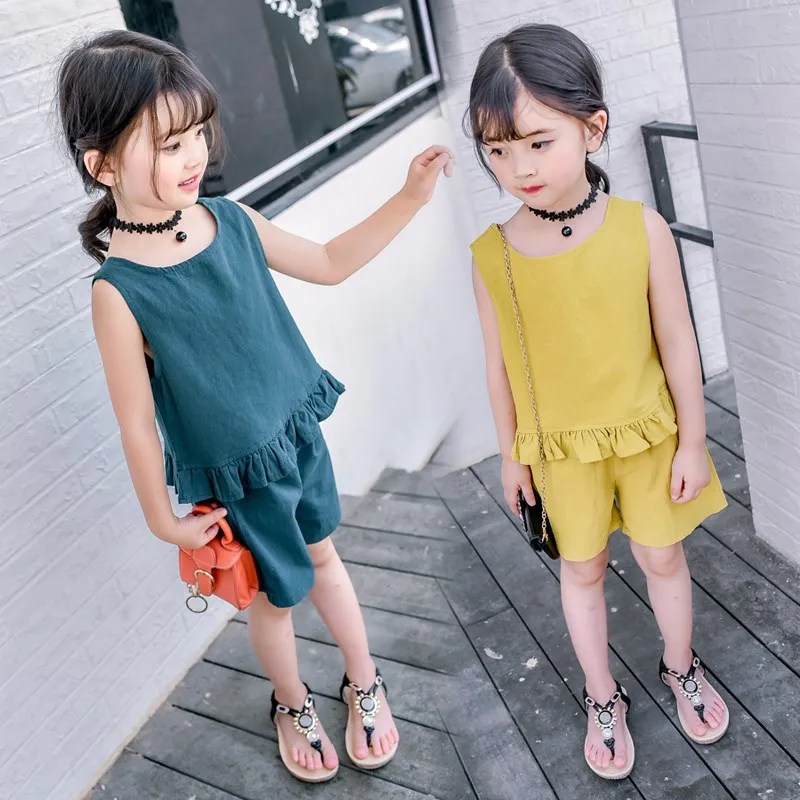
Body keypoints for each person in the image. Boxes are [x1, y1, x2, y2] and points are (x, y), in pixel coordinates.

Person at [56, 29, 453, 784]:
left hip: (295, 438)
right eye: (168, 144)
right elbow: (136, 424)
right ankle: (292, 703)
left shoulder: (231, 221)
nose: (194, 155)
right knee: (274, 600)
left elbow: (329, 263)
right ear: (102, 165)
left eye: (195, 134)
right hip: (237, 477)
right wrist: (163, 520)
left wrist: (407, 197)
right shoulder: (119, 292)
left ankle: (365, 681)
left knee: (326, 558)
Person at [467, 23, 729, 781]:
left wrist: (692, 440)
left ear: (593, 127)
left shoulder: (640, 229)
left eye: (537, 142)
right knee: (580, 570)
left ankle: (680, 665)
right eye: (496, 150)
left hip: (647, 434)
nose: (518, 167)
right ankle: (601, 693)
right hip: (561, 450)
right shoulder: (492, 254)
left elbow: (678, 342)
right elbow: (499, 368)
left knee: (662, 554)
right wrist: (512, 457)